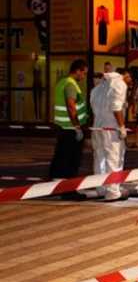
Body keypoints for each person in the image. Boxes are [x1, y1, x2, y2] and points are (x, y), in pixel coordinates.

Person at [90, 68, 132, 201]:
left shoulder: (99, 87)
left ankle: (101, 188)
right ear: (125, 75)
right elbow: (116, 108)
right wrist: (121, 127)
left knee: (99, 158)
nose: (130, 81)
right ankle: (113, 191)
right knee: (114, 158)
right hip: (112, 128)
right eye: (130, 78)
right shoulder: (119, 84)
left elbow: (93, 106)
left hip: (97, 126)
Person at [49, 59, 89, 188]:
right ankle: (68, 189)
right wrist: (77, 127)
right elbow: (71, 106)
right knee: (71, 160)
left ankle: (55, 186)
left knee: (61, 158)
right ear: (77, 71)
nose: (84, 76)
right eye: (83, 73)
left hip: (63, 127)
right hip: (70, 129)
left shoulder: (62, 82)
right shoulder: (71, 85)